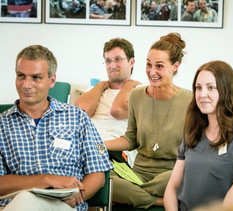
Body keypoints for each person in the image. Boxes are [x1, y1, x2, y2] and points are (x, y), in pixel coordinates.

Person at [0, 45, 112, 211]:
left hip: (65, 206)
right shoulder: (2, 125)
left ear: (52, 80)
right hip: (17, 205)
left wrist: (76, 197)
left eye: (36, 77)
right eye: (21, 76)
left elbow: (98, 173)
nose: (26, 85)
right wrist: (47, 180)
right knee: (25, 199)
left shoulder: (77, 117)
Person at [104, 33, 192, 209]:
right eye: (148, 64)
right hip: (139, 173)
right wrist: (98, 144)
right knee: (106, 178)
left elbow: (195, 147)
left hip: (171, 173)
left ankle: (136, 196)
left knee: (183, 176)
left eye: (159, 66)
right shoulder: (136, 95)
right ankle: (158, 201)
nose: (152, 72)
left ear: (175, 66)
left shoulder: (190, 100)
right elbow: (131, 138)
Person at [163, 60, 233, 211]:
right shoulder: (192, 134)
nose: (202, 94)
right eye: (198, 88)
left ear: (226, 91)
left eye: (211, 88)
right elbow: (172, 188)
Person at [75, 38, 141, 167]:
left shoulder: (139, 91)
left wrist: (128, 84)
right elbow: (81, 111)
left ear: (131, 62)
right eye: (108, 61)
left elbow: (117, 111)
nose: (112, 65)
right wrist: (101, 85)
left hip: (113, 151)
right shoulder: (97, 90)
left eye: (117, 59)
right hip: (84, 145)